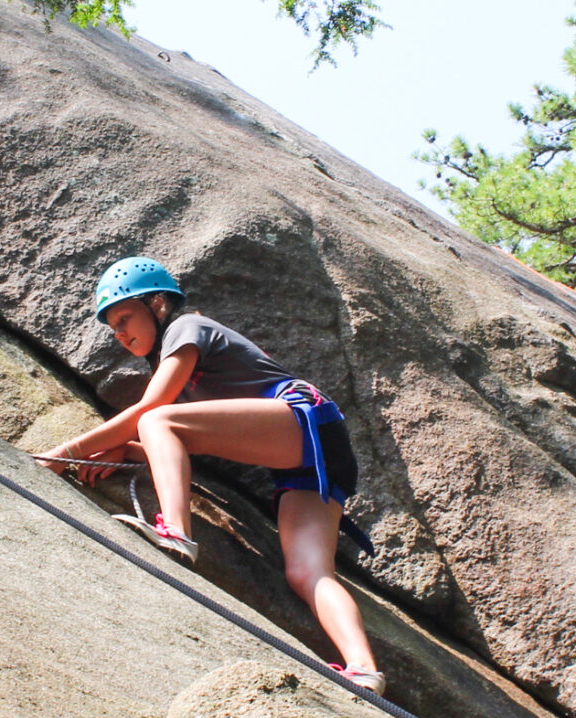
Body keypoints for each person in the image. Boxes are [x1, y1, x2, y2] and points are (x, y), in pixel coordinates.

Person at [41, 256, 384, 694]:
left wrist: (64, 454)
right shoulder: (177, 351)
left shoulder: (186, 329)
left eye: (125, 318)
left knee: (157, 419)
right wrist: (129, 450)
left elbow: (153, 412)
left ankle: (177, 535)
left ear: (159, 304)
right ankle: (364, 669)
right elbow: (185, 444)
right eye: (113, 327)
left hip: (303, 417)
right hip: (317, 448)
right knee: (307, 572)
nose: (120, 333)